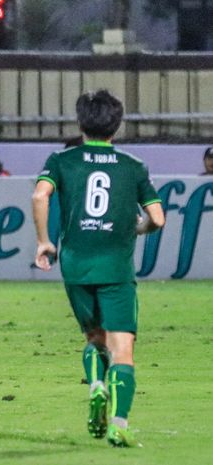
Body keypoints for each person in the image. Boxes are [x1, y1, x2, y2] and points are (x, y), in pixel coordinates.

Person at [32, 89, 165, 448]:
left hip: (76, 265)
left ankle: (96, 386)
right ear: (117, 126)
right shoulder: (133, 166)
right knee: (123, 349)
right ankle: (119, 424)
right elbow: (157, 217)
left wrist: (44, 241)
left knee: (95, 340)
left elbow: (39, 195)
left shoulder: (62, 161)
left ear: (81, 123)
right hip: (116, 267)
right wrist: (139, 227)